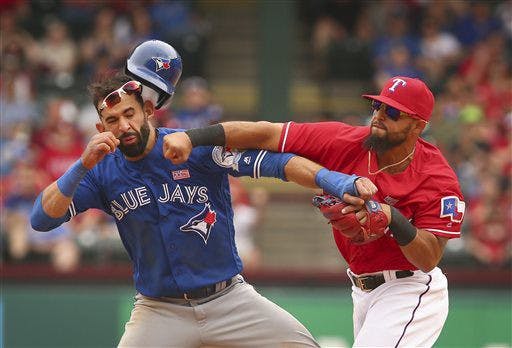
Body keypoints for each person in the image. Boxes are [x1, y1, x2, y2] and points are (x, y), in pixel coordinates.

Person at [30, 41, 379, 347]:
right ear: (99, 128)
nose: (123, 126)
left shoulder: (190, 147)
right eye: (111, 120)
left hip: (229, 299)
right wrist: (82, 164)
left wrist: (337, 182)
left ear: (148, 111)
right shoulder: (100, 172)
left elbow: (278, 164)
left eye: (129, 114)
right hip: (158, 309)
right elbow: (42, 219)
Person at [164, 76, 466, 347]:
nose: (379, 117)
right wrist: (192, 138)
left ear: (418, 125)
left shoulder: (436, 178)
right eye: (377, 107)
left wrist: (392, 218)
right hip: (362, 289)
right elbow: (267, 134)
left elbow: (428, 258)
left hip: (410, 288)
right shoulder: (345, 141)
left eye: (393, 113)